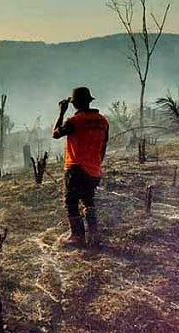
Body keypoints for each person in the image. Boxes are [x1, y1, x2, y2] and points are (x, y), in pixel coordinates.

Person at [52, 87, 109, 248]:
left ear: (75, 103)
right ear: (89, 101)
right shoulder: (103, 121)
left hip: (76, 168)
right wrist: (97, 163)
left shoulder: (74, 121)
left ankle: (77, 236)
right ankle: (94, 233)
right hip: (94, 169)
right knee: (88, 200)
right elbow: (104, 145)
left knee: (71, 202)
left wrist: (61, 112)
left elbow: (55, 134)